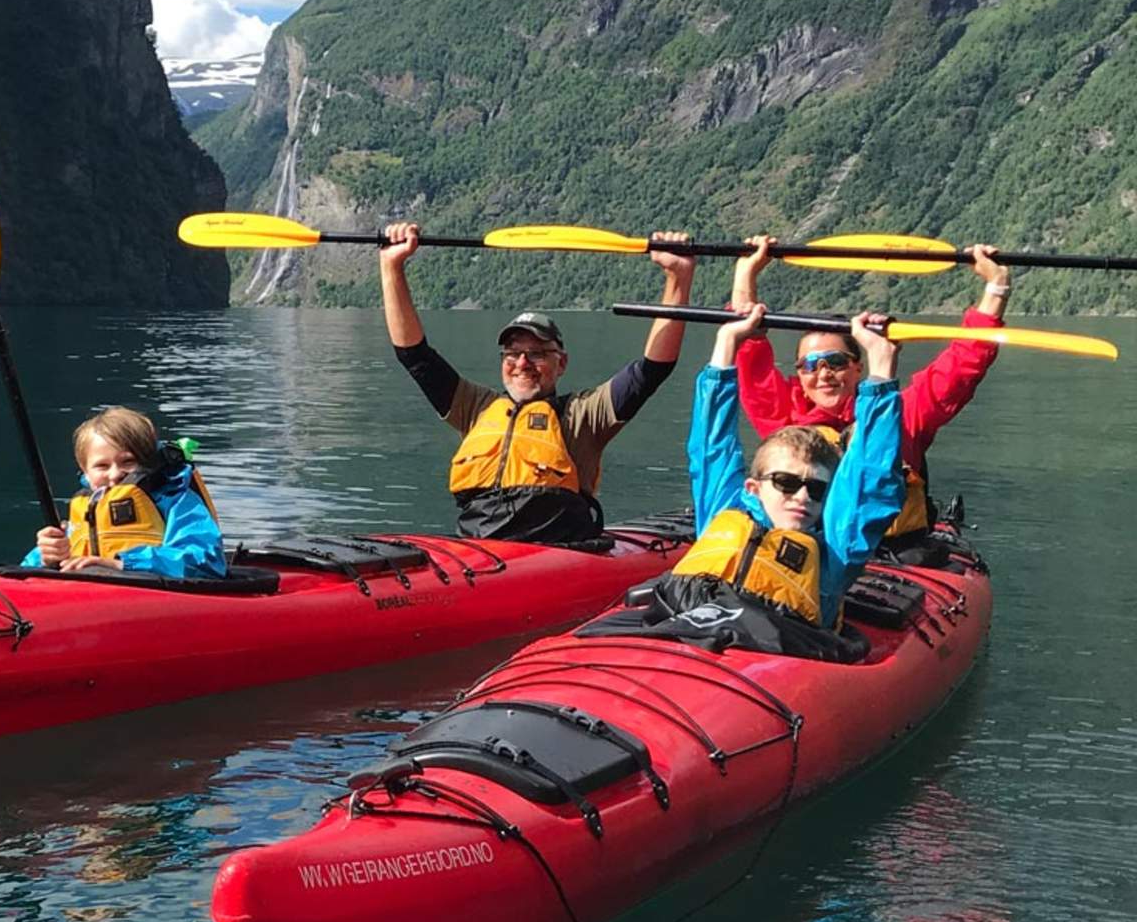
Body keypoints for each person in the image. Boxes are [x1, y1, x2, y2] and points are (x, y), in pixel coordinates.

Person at [580, 304, 906, 660]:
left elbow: (871, 479)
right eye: (785, 482)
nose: (802, 496)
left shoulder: (834, 552)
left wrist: (881, 365)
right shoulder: (726, 509)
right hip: (682, 628)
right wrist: (727, 341)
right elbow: (711, 447)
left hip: (775, 654)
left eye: (816, 490)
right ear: (754, 487)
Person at [379, 222, 695, 544]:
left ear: (562, 363)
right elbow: (414, 356)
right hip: (477, 549)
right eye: (512, 353)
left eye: (537, 353)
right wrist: (392, 266)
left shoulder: (583, 415)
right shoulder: (474, 407)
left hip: (552, 552)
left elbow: (652, 369)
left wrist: (677, 279)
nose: (522, 364)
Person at [730, 236, 1012, 561]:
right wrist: (746, 273)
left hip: (893, 556)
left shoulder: (903, 416)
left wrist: (996, 286)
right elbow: (747, 351)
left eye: (835, 362)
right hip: (803, 550)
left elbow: (963, 364)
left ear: (857, 367)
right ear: (799, 375)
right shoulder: (783, 418)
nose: (823, 373)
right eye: (810, 365)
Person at [23, 407, 226, 578]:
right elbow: (26, 569)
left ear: (149, 463)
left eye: (128, 462)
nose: (115, 474)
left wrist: (120, 565)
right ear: (85, 470)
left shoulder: (175, 500)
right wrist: (47, 557)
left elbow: (206, 561)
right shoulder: (86, 510)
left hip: (156, 602)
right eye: (102, 466)